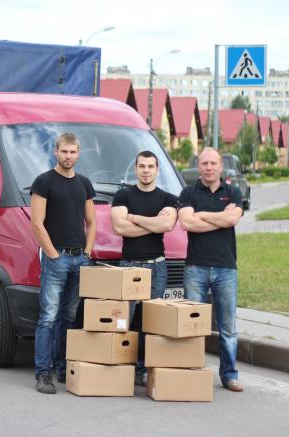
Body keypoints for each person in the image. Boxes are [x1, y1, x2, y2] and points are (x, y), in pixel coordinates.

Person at [30, 132, 96, 394]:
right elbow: (37, 223)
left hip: (80, 258)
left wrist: (88, 252)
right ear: (56, 152)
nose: (69, 156)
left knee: (68, 317)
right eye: (64, 151)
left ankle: (61, 368)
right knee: (48, 317)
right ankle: (43, 374)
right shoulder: (44, 182)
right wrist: (52, 254)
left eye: (73, 152)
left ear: (79, 153)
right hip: (56, 258)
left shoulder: (84, 184)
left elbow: (92, 222)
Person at [178, 147, 244, 392]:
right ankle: (192, 370)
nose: (208, 167)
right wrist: (218, 217)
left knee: (228, 327)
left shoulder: (233, 191)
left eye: (213, 163)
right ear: (199, 166)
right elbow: (186, 222)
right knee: (192, 325)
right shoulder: (188, 192)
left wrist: (202, 215)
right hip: (195, 268)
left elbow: (232, 220)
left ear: (221, 166)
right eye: (204, 163)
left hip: (226, 268)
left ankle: (229, 375)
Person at [111, 150, 178, 386]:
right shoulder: (123, 195)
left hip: (156, 267)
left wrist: (135, 218)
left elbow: (168, 224)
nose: (146, 170)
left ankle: (143, 370)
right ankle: (121, 368)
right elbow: (120, 228)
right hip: (129, 266)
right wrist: (153, 224)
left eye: (151, 166)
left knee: (151, 323)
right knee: (123, 322)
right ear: (136, 168)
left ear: (157, 170)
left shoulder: (168, 198)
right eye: (142, 166)